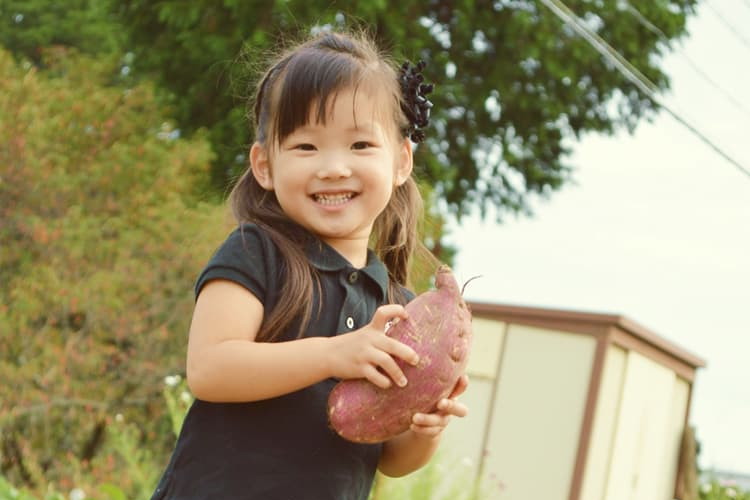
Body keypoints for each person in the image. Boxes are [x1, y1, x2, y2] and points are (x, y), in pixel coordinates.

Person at [150, 28, 469, 500]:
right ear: (265, 166)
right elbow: (210, 368)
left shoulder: (397, 308)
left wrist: (423, 429)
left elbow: (388, 457)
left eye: (360, 146)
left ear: (402, 161)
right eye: (306, 147)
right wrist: (332, 354)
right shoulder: (257, 251)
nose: (334, 167)